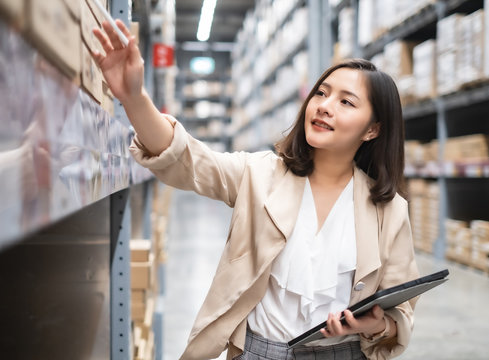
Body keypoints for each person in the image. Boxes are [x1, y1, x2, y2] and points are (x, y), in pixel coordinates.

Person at [93, 19, 419, 360]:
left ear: (372, 130)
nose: (324, 105)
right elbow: (186, 160)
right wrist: (133, 98)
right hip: (259, 352)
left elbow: (401, 312)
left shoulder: (389, 210)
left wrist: (372, 326)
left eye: (346, 102)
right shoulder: (261, 174)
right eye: (321, 93)